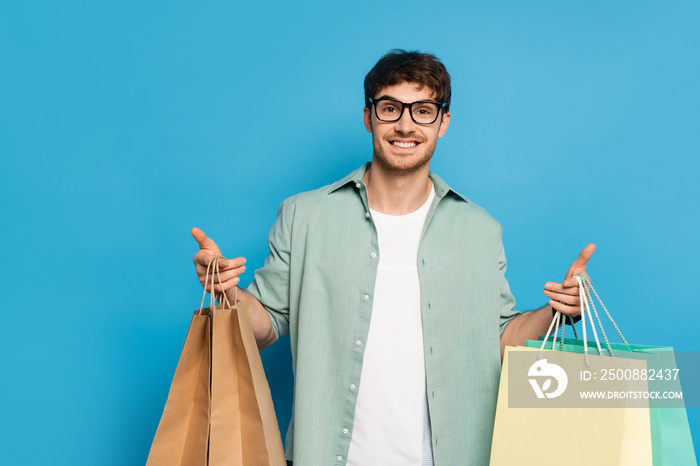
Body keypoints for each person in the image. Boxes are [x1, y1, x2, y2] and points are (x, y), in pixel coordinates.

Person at [191, 50, 594, 466]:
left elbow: (498, 341)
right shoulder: (304, 215)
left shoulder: (479, 228)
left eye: (422, 110)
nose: (405, 125)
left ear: (443, 123)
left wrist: (557, 311)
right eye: (390, 108)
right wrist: (227, 291)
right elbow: (266, 326)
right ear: (368, 117)